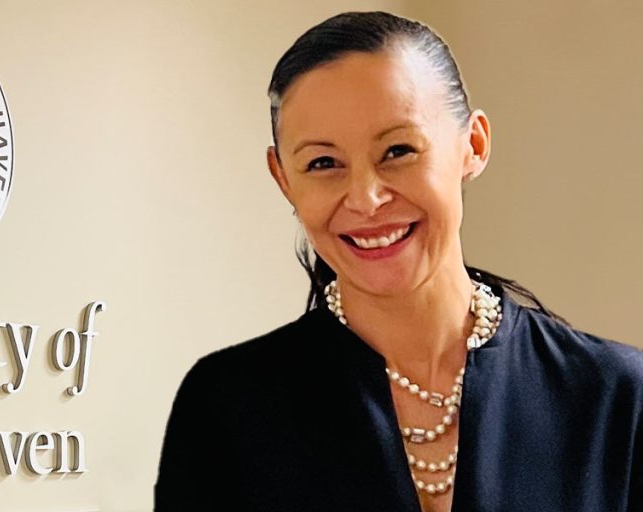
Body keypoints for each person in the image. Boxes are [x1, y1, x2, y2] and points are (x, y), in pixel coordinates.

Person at [154, 11, 643, 512]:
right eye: (323, 163)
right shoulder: (226, 408)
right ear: (283, 179)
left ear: (472, 146)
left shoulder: (617, 397)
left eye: (399, 150)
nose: (365, 199)